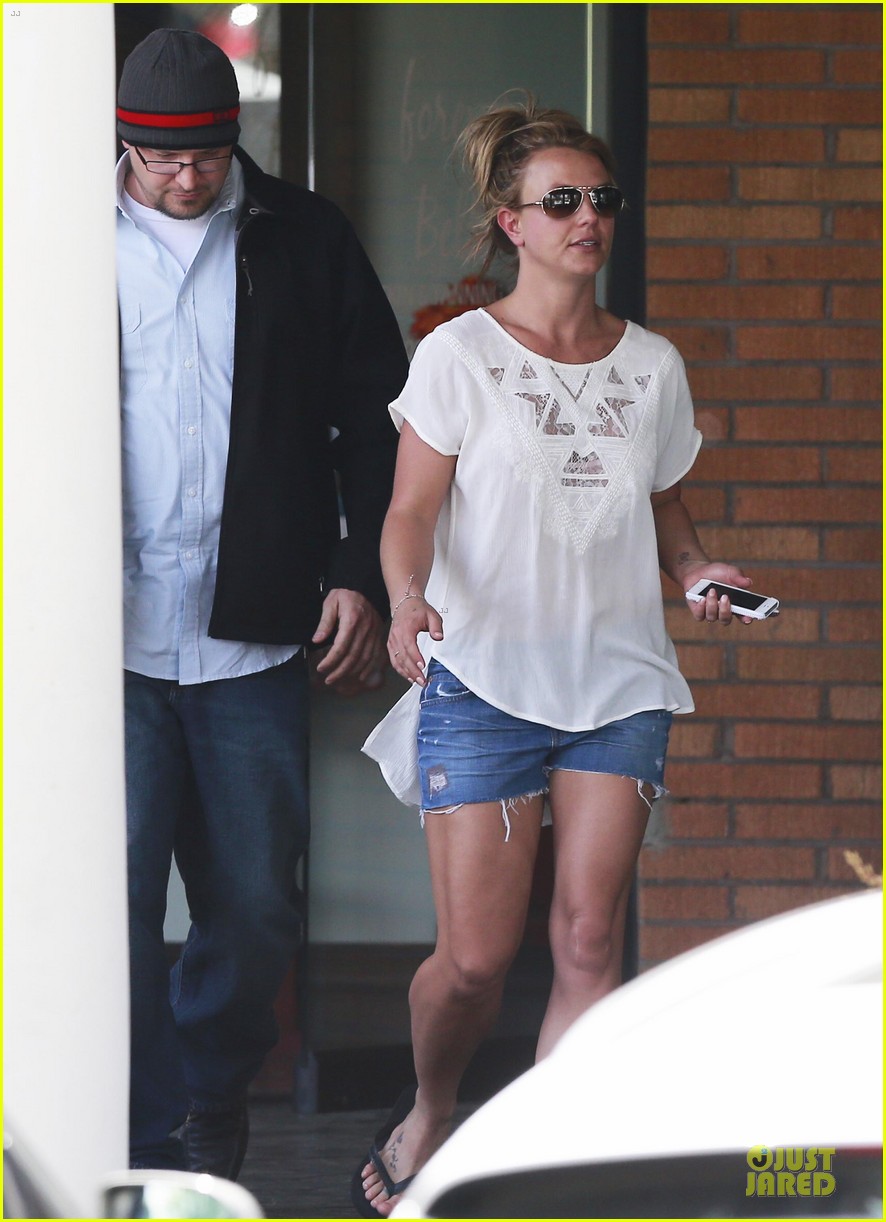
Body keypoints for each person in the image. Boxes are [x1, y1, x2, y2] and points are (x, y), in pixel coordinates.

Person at [353, 99, 757, 1216]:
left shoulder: (653, 366)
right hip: (483, 680)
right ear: (512, 223)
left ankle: (543, 1168)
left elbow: (664, 513)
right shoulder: (458, 355)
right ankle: (433, 1106)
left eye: (602, 200)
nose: (589, 218)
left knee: (586, 938)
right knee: (475, 963)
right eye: (562, 201)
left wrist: (696, 573)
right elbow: (409, 513)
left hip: (618, 682)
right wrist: (405, 601)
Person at [115, 29, 407, 1177]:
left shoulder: (303, 235)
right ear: (125, 146)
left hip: (254, 633)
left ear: (234, 139)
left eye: (205, 157)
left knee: (253, 908)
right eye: (160, 160)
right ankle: (149, 1132)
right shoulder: (55, 239)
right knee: (112, 901)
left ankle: (209, 1089)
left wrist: (359, 571)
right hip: (104, 639)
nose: (186, 179)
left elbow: (382, 421)